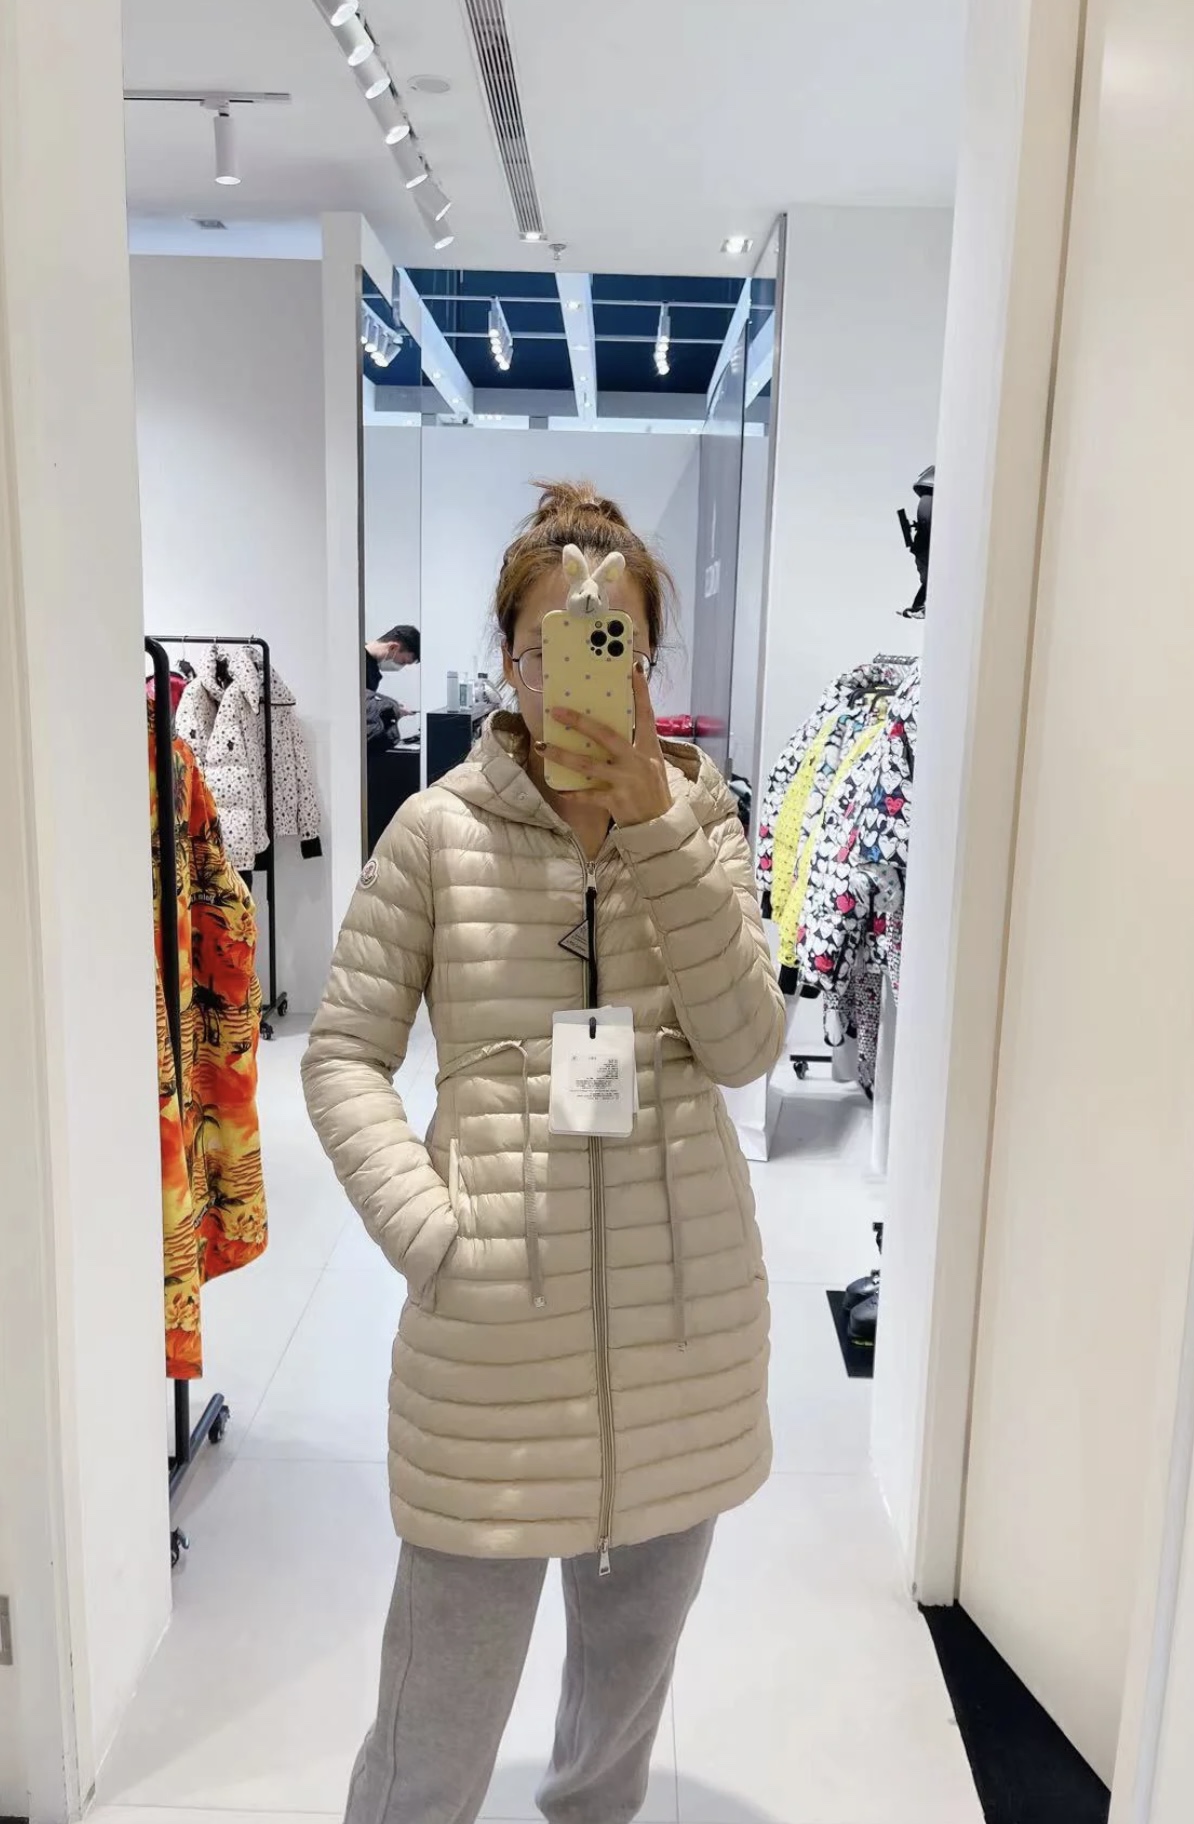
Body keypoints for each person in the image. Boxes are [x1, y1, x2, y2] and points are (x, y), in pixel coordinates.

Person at [303, 481, 784, 1824]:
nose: (573, 672)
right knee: (428, 1745)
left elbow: (746, 1043)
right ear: (508, 662)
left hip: (681, 1341)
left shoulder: (704, 820)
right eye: (545, 648)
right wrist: (430, 1234)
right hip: (492, 1353)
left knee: (615, 1734)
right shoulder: (436, 834)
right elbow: (342, 1054)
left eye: (608, 645)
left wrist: (658, 830)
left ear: (644, 662)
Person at [365, 622, 420, 692]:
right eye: (403, 661)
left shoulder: (373, 675)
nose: (400, 667)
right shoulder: (355, 657)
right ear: (393, 647)